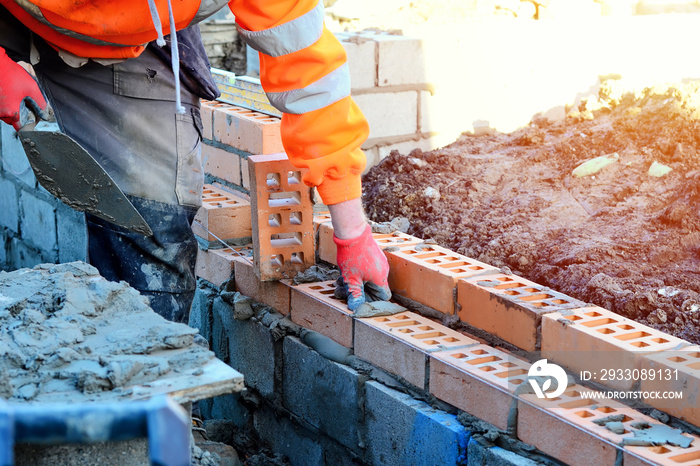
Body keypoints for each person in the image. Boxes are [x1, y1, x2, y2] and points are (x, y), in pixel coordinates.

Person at [0, 0, 390, 322]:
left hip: (129, 34)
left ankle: (147, 394)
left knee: (152, 225)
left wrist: (352, 232)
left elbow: (307, 68)